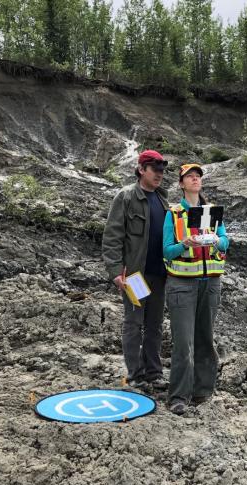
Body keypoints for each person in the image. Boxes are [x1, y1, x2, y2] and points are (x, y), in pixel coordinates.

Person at [163, 163, 230, 415]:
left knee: (205, 338)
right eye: (189, 177)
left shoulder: (213, 212)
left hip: (210, 283)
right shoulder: (174, 214)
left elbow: (225, 240)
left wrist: (217, 240)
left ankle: (203, 391)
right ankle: (179, 395)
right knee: (183, 342)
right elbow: (166, 250)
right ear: (181, 184)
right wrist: (184, 244)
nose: (194, 180)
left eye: (197, 177)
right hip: (181, 284)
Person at [102, 150, 170, 391]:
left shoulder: (163, 199)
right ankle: (135, 375)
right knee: (134, 323)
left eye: (162, 170)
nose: (159, 175)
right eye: (155, 170)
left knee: (155, 324)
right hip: (135, 275)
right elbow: (112, 236)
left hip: (159, 274)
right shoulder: (126, 196)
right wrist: (115, 271)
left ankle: (154, 373)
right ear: (142, 169)